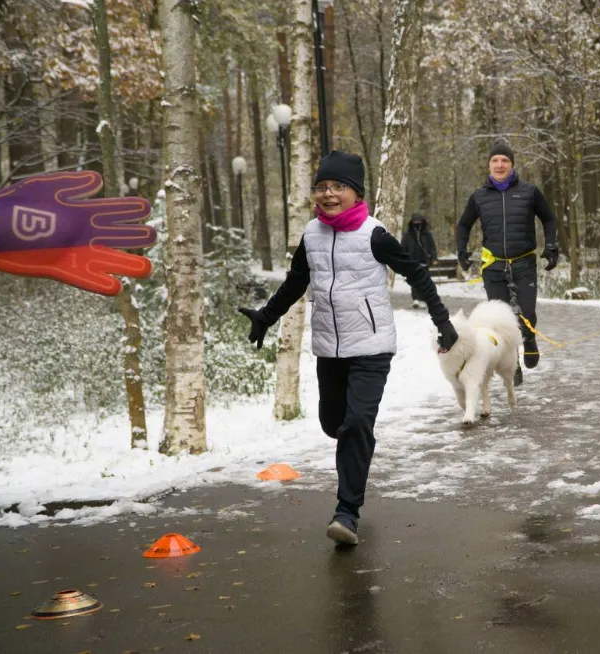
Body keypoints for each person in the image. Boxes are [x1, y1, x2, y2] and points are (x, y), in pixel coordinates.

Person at [238, 150, 458, 547]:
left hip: (371, 347)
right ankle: (359, 442)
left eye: (338, 186)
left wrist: (443, 323)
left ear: (356, 193)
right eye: (321, 187)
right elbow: (296, 281)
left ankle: (346, 513)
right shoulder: (311, 235)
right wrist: (266, 316)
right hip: (329, 348)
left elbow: (417, 274)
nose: (328, 194)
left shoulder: (374, 235)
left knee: (355, 424)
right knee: (334, 424)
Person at [456, 141, 559, 386]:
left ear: (512, 165)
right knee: (500, 321)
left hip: (524, 262)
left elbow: (548, 218)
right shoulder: (479, 197)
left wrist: (551, 246)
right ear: (489, 165)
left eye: (505, 160)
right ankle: (513, 362)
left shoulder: (529, 192)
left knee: (527, 312)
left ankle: (529, 339)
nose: (500, 164)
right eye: (495, 160)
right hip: (493, 266)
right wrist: (462, 251)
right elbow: (464, 225)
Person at [400, 213, 438, 309]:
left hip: (424, 262)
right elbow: (403, 248)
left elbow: (432, 247)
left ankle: (423, 299)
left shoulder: (427, 234)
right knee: (414, 281)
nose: (417, 223)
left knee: (425, 282)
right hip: (412, 262)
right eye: (415, 221)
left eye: (419, 221)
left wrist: (434, 258)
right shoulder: (407, 235)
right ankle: (416, 299)